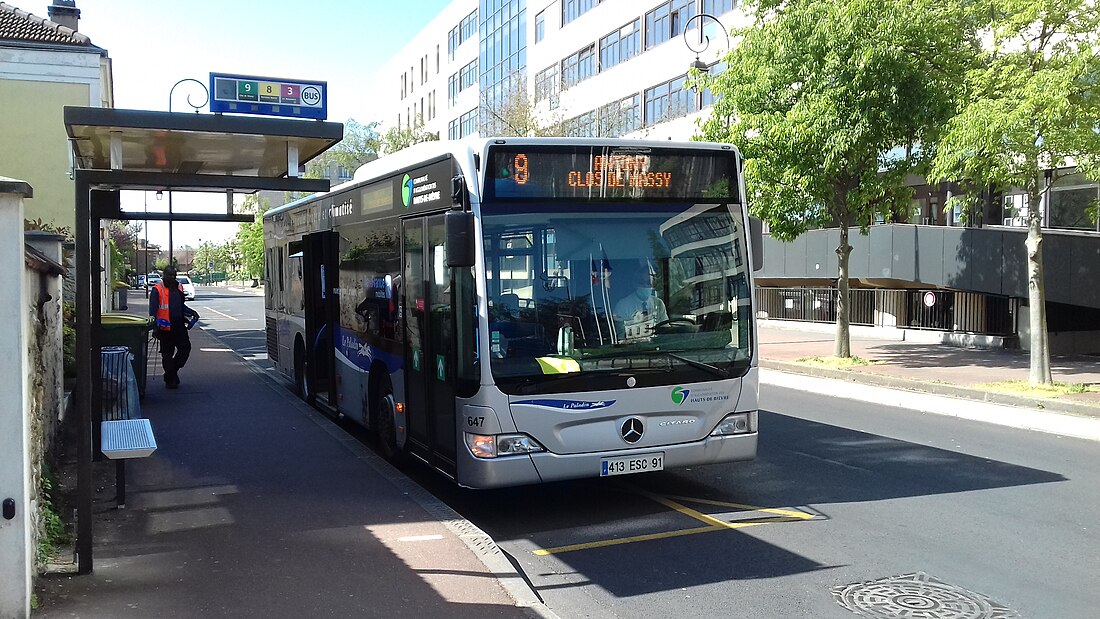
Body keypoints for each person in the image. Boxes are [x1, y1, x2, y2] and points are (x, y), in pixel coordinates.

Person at [149, 266, 199, 389]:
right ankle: (171, 378)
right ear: (164, 275)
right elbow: (153, 311)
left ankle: (170, 373)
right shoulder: (157, 289)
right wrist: (155, 328)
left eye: (174, 275)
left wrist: (192, 312)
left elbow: (181, 306)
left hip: (179, 326)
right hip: (165, 328)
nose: (172, 278)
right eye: (169, 275)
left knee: (185, 349)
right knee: (167, 354)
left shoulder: (178, 287)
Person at [613, 261, 668, 341]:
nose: (645, 286)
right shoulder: (622, 306)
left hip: (657, 350)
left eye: (649, 283)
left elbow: (665, 331)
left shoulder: (658, 303)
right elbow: (621, 336)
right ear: (635, 284)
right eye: (642, 282)